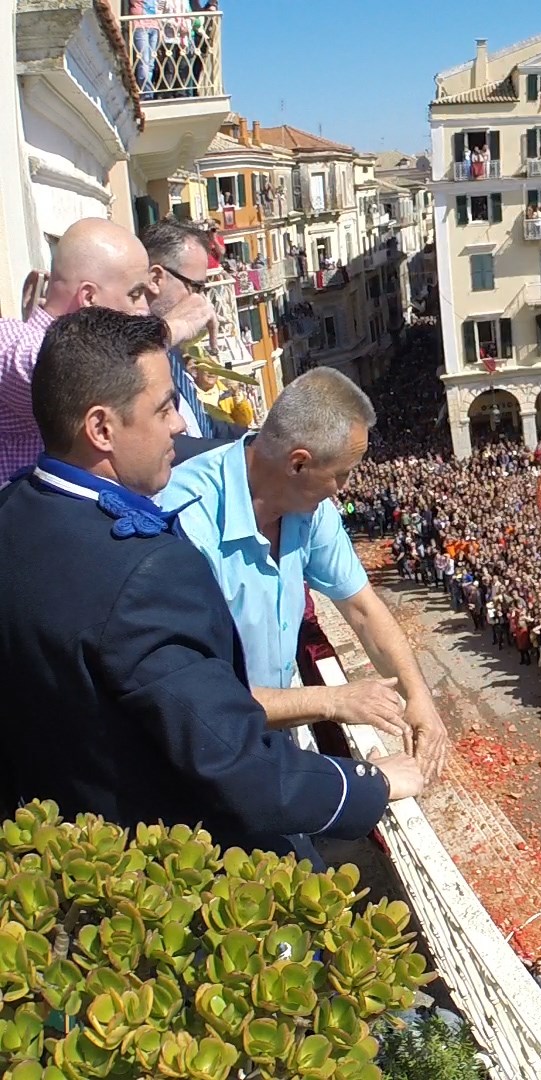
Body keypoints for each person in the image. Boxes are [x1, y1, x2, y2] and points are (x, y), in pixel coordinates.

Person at [0, 308, 421, 859]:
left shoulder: (12, 511)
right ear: (102, 428)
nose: (180, 425)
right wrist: (373, 783)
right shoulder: (150, 570)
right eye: (165, 407)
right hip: (152, 852)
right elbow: (233, 758)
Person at [159, 369, 450, 780]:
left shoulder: (308, 510)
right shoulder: (187, 526)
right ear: (298, 464)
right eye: (342, 473)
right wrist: (332, 701)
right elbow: (203, 699)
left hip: (266, 734)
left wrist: (418, 695)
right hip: (206, 751)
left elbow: (363, 609)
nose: (342, 490)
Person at [1, 219, 210, 475]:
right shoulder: (11, 341)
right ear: (89, 297)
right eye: (135, 294)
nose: (144, 307)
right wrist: (168, 329)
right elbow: (56, 364)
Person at [136, 220, 245, 440]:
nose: (200, 300)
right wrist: (166, 332)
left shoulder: (173, 348)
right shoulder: (136, 346)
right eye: (195, 287)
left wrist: (260, 442)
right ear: (155, 278)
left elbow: (202, 425)